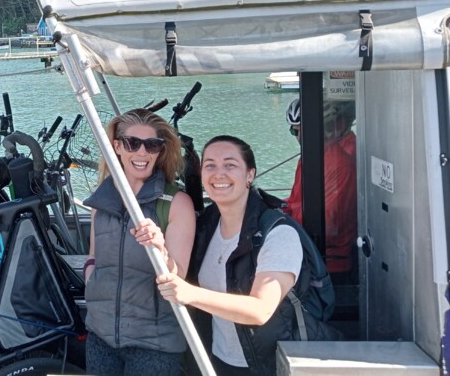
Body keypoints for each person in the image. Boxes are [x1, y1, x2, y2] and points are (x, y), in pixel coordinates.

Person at [139, 135, 304, 375]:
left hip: (264, 364)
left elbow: (260, 310)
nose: (219, 173)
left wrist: (189, 294)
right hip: (215, 358)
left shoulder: (278, 233)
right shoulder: (207, 224)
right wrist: (160, 248)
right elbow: (180, 276)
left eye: (230, 165)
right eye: (210, 165)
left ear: (250, 174)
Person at [82, 108, 196, 376]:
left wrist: (160, 248)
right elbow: (93, 257)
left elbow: (178, 273)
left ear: (160, 150)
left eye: (152, 145)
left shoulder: (176, 203)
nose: (142, 153)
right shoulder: (101, 201)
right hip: (100, 336)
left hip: (154, 344)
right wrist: (91, 277)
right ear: (117, 147)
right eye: (133, 143)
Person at [284, 99, 357, 276]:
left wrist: (281, 221)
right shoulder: (311, 157)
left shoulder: (337, 163)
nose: (299, 138)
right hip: (311, 252)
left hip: (327, 260)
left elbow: (326, 222)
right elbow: (297, 201)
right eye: (294, 131)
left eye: (304, 130)